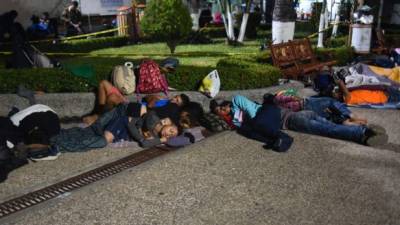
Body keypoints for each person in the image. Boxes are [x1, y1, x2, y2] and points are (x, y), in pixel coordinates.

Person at [210, 95, 388, 148]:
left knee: (329, 131)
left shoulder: (242, 106)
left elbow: (238, 100)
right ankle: (366, 130)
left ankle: (362, 134)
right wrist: (232, 120)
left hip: (292, 119)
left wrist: (233, 112)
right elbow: (245, 126)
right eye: (221, 112)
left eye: (223, 109)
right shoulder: (240, 121)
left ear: (228, 106)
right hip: (301, 115)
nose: (224, 112)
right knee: (331, 127)